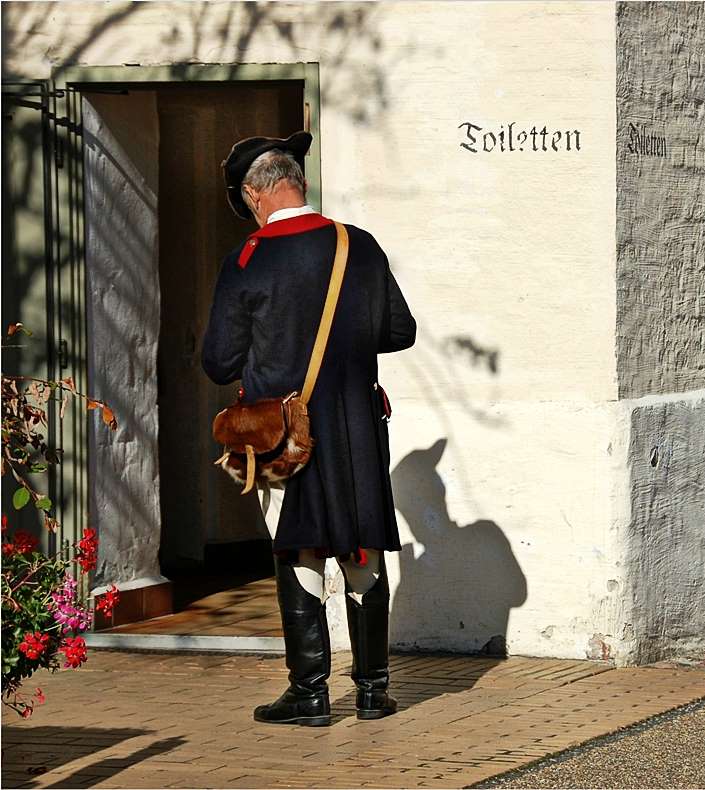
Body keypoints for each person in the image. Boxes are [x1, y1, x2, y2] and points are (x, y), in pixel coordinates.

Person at [201, 131, 416, 727]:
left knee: (300, 546)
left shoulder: (250, 257)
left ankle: (310, 694)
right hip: (358, 425)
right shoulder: (360, 246)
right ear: (297, 179)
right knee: (362, 548)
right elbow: (400, 331)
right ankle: (373, 691)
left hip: (285, 435)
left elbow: (219, 360)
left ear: (253, 194)